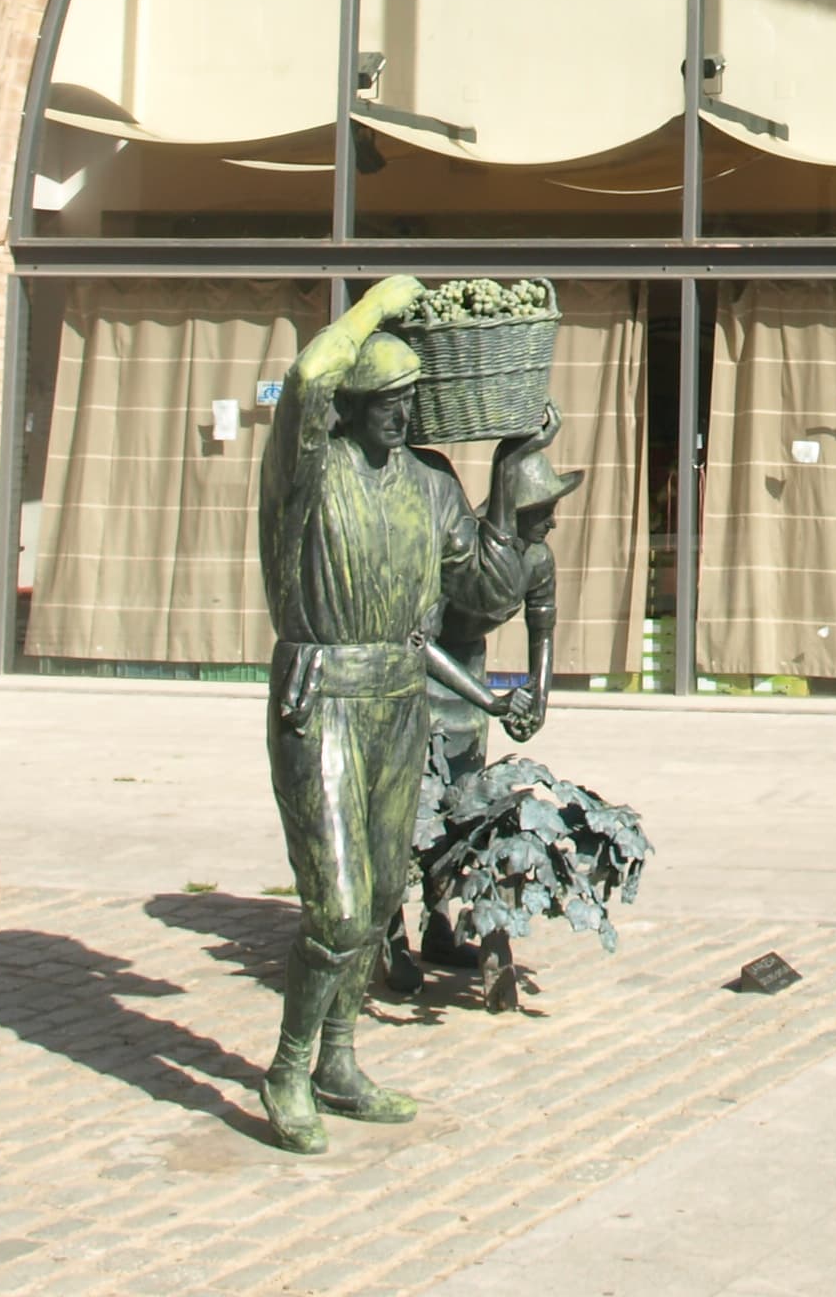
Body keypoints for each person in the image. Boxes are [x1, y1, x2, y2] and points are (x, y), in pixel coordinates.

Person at [250, 273, 524, 1154]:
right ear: (356, 404)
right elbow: (306, 377)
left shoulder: (430, 483)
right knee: (333, 908)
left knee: (374, 905)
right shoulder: (310, 466)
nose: (400, 415)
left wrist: (512, 481)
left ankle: (338, 1062)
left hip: (399, 702)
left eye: (409, 400)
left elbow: (483, 592)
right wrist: (375, 303)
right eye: (385, 401)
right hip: (322, 695)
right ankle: (287, 1068)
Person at [391, 426, 584, 1013]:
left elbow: (542, 629)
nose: (552, 522)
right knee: (409, 810)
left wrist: (537, 699)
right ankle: (389, 934)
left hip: (470, 683)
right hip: (423, 682)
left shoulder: (536, 560)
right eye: (543, 511)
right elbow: (418, 641)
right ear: (516, 511)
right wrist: (491, 698)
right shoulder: (460, 558)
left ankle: (439, 924)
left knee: (462, 804)